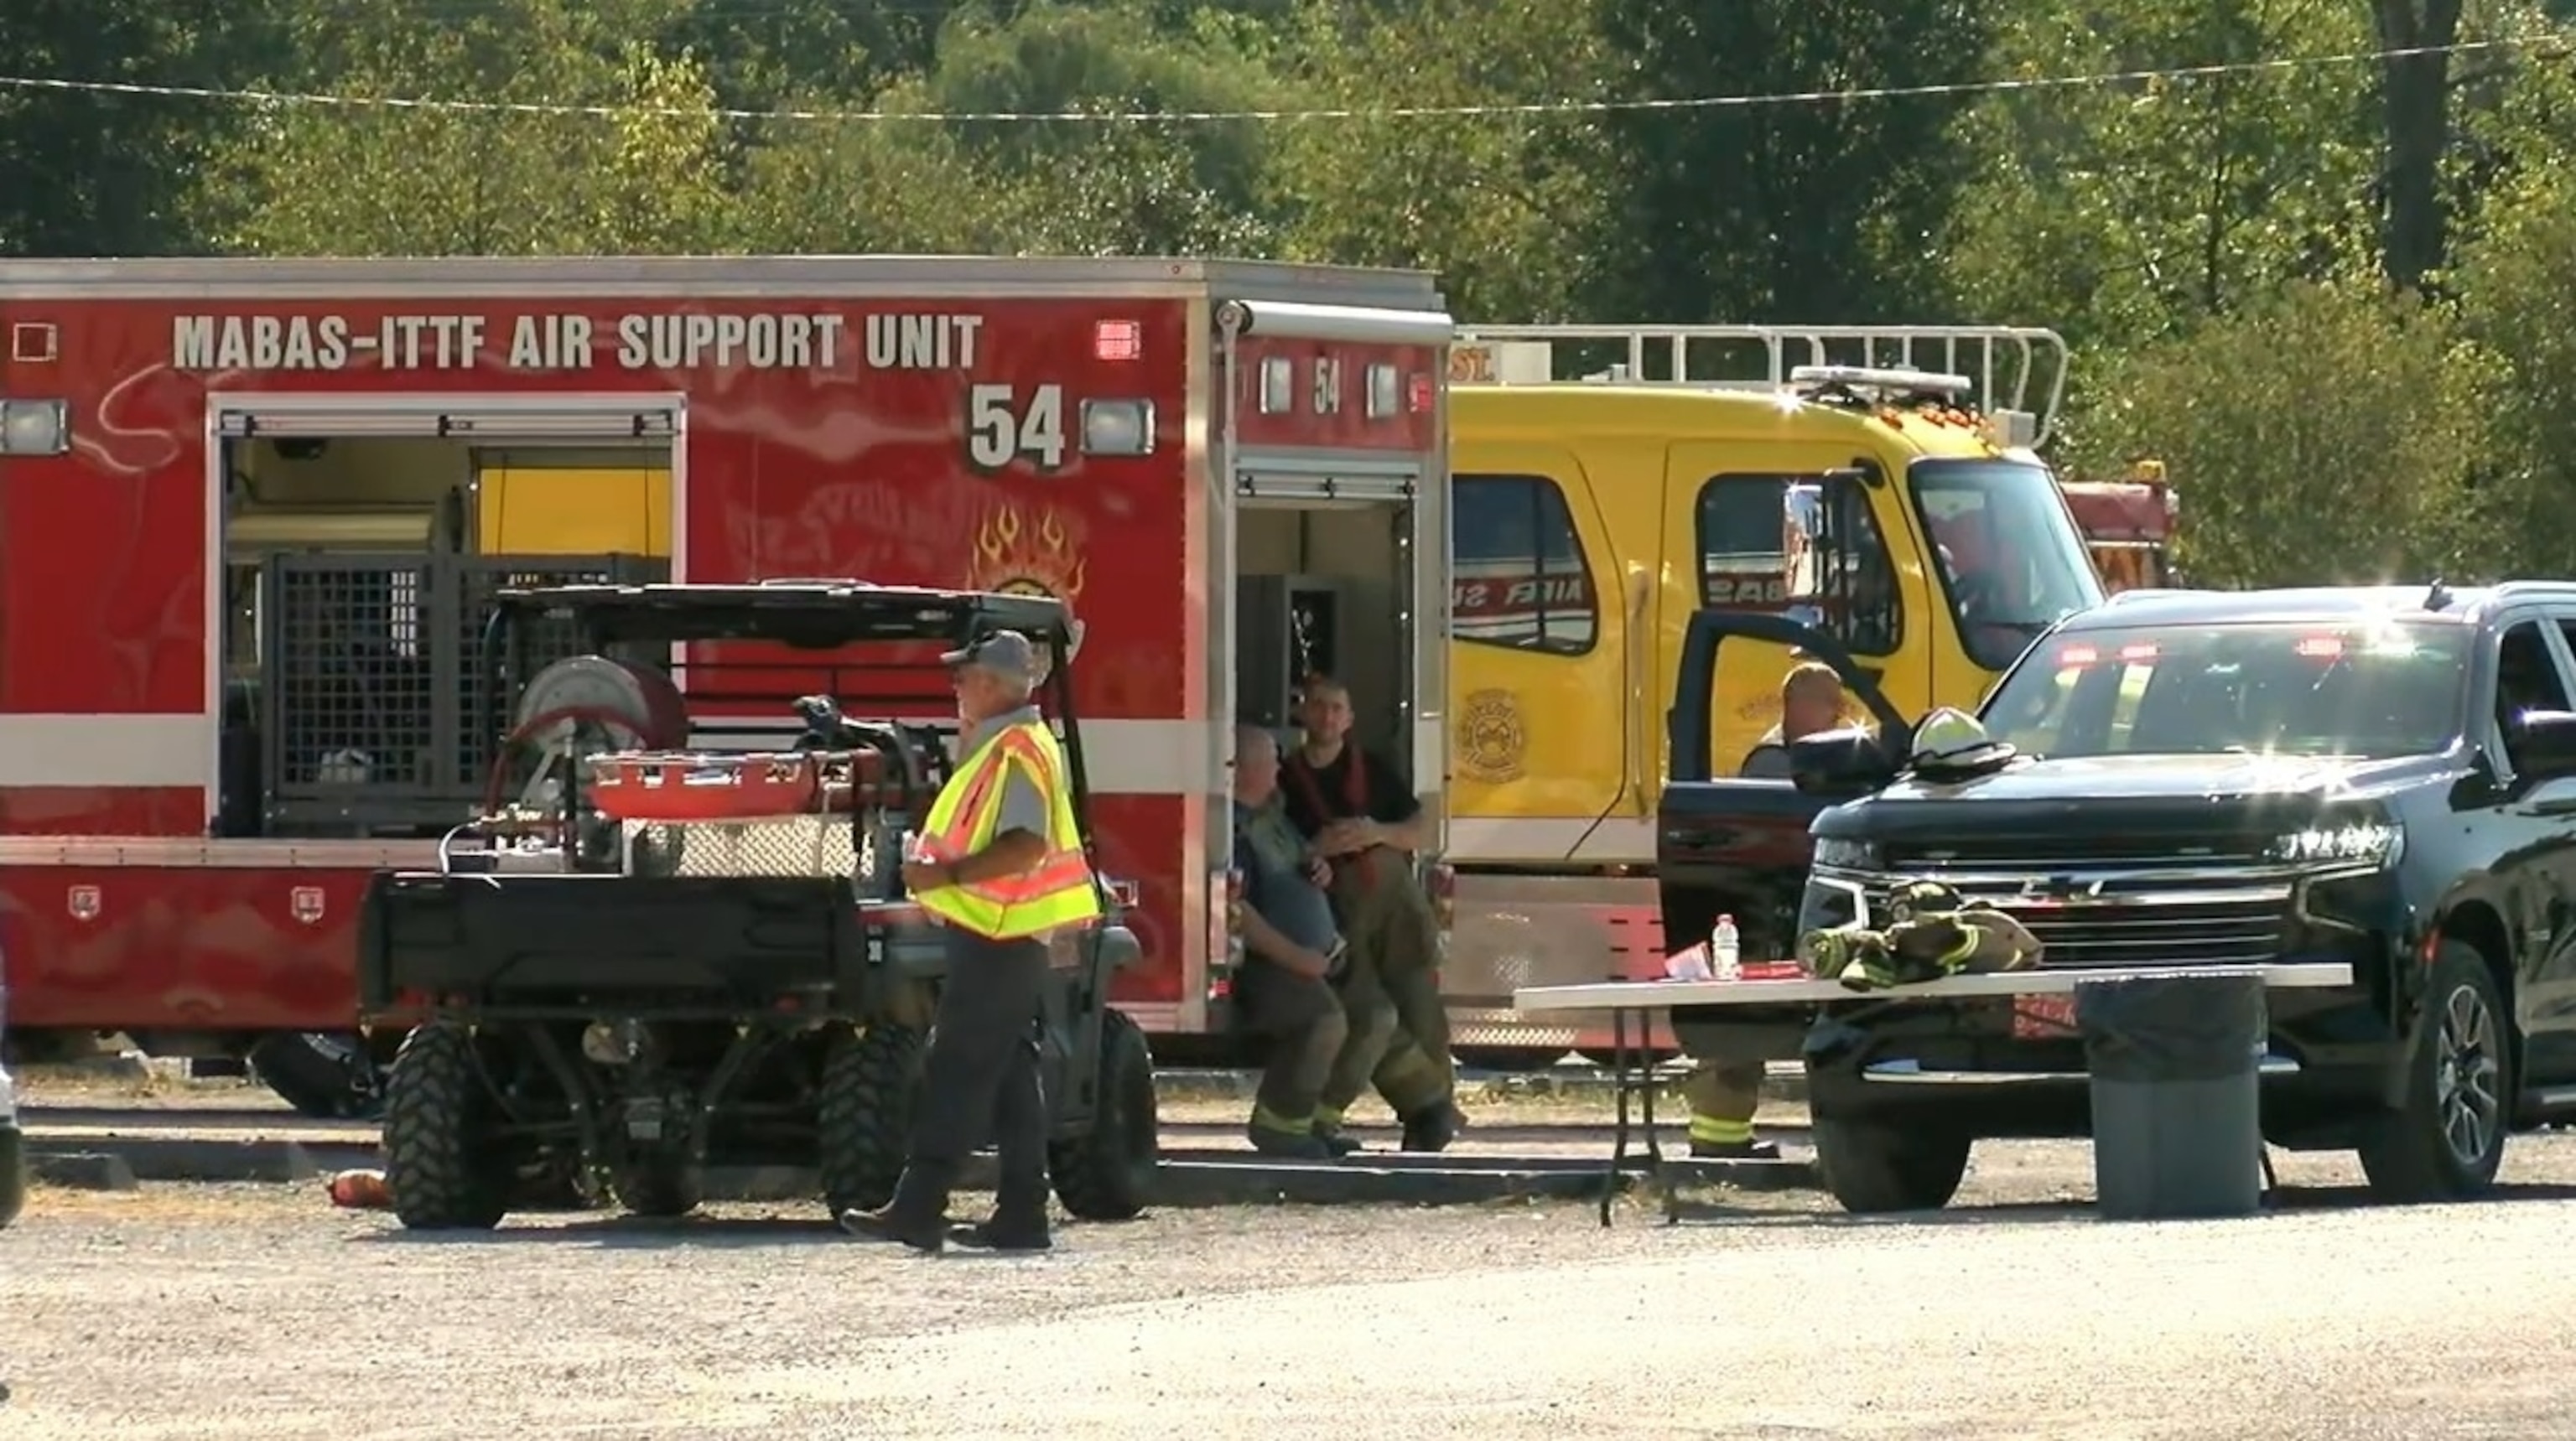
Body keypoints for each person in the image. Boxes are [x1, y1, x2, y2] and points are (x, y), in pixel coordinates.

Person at [840, 630, 1102, 1256]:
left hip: (1000, 932)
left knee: (953, 1064)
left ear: (994, 683)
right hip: (1002, 930)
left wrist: (944, 876)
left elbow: (1024, 844)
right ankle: (1022, 1214)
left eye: (964, 675)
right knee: (1009, 1069)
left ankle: (918, 1206)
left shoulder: (1015, 749)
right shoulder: (1008, 745)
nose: (955, 686)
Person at [1280, 675, 1462, 1153]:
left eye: (1337, 709)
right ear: (1303, 713)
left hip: (1397, 910)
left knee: (1422, 1011)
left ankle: (1436, 1119)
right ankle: (1425, 1106)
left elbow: (1422, 830)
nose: (1328, 717)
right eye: (1319, 707)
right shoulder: (1285, 780)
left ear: (1350, 719)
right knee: (1374, 1015)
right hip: (1336, 911)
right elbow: (1278, 850)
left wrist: (1375, 832)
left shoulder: (1374, 771)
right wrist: (1317, 848)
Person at [1681, 661, 1848, 1159]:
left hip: (1778, 911)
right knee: (1739, 1030)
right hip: (1763, 913)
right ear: (1799, 705)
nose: (1839, 718)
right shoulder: (1775, 764)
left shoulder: (1794, 758)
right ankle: (1718, 1144)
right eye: (1831, 706)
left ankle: (1724, 1141)